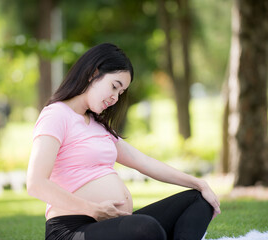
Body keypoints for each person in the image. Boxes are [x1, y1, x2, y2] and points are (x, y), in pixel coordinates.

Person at [27, 43, 221, 240]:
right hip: (70, 231)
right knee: (146, 228)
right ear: (93, 73)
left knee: (198, 199)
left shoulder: (97, 125)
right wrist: (93, 209)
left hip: (110, 226)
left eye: (120, 93)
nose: (115, 98)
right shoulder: (56, 115)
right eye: (114, 87)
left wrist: (199, 183)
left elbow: (144, 162)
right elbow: (36, 183)